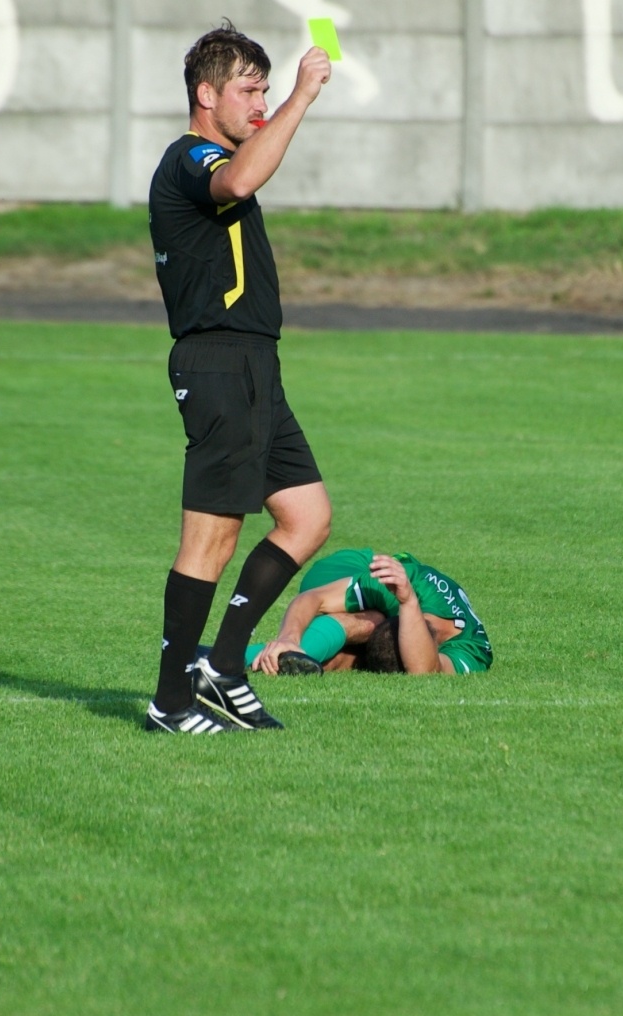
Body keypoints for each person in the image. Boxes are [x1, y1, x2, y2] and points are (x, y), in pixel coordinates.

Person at [143, 22, 334, 734]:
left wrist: (281, 106)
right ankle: (169, 699)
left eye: (265, 89)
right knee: (211, 540)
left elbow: (249, 162)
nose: (260, 103)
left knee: (307, 516)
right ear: (205, 93)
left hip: (256, 365)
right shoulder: (190, 157)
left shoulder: (226, 149)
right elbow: (241, 176)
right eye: (248, 90)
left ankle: (222, 667)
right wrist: (301, 97)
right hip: (218, 363)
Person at [246, 549, 493, 676]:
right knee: (372, 621)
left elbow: (424, 671)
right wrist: (289, 637)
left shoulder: (474, 651)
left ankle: (219, 657)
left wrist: (407, 605)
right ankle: (237, 656)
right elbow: (313, 598)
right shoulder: (397, 584)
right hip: (345, 566)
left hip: (395, 610)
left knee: (336, 661)